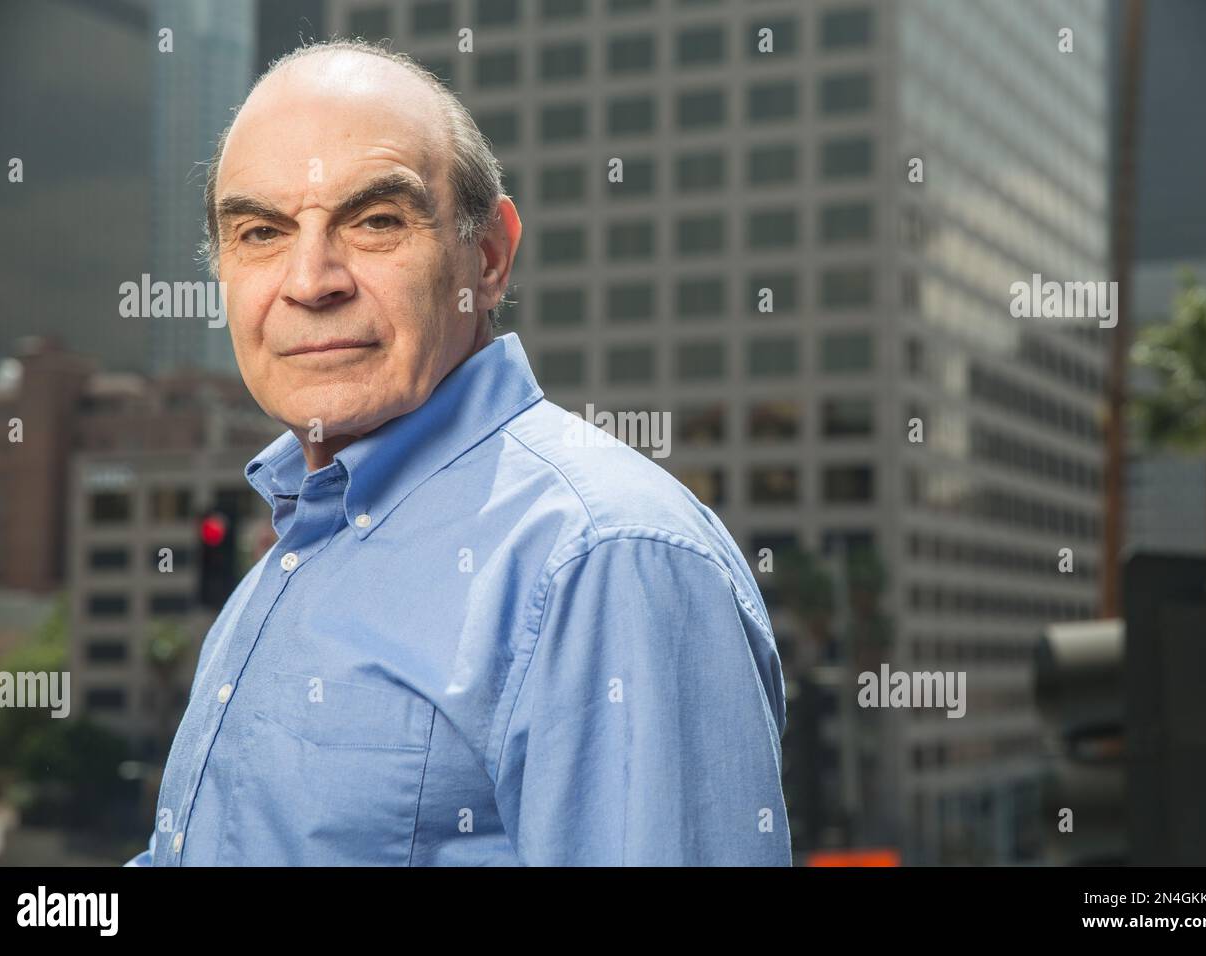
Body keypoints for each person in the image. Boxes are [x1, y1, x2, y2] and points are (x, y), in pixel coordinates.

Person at [125, 39, 789, 866]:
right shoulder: (284, 559)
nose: (310, 280)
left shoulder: (607, 558)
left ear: (489, 255)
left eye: (375, 222)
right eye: (260, 231)